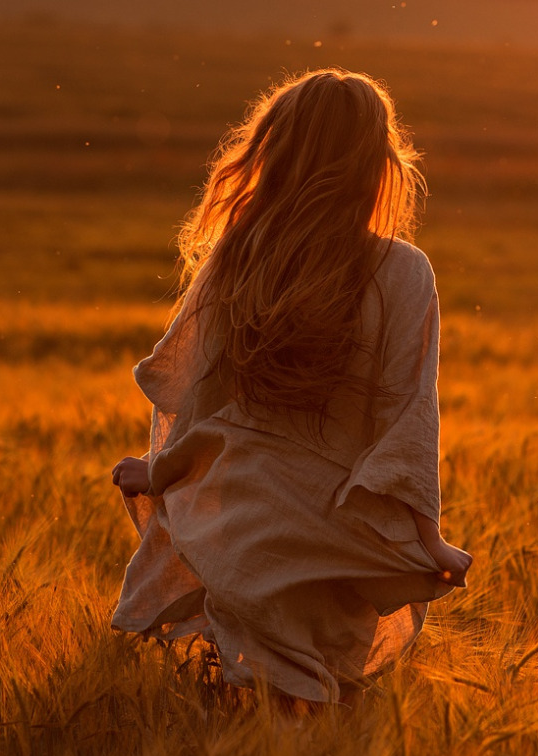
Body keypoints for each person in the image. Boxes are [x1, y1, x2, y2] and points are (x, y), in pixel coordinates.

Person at [108, 69, 471, 705]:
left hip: (239, 520)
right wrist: (424, 536)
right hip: (334, 525)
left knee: (246, 700)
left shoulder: (239, 254)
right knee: (323, 704)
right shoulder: (404, 271)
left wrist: (161, 471)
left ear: (275, 154)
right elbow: (406, 417)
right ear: (377, 164)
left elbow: (194, 393)